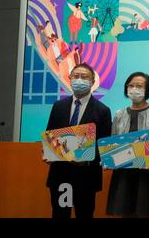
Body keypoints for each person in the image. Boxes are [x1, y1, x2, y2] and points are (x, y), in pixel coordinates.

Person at [45, 63, 112, 218]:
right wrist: (49, 150)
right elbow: (50, 135)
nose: (79, 80)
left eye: (84, 77)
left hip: (86, 176)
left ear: (92, 81)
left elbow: (104, 144)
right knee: (61, 213)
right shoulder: (58, 106)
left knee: (84, 214)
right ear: (69, 79)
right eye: (75, 76)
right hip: (61, 175)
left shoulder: (103, 110)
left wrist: (86, 157)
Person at [106, 72, 149, 217]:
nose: (134, 89)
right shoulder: (119, 114)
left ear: (148, 90)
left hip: (148, 174)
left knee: (145, 213)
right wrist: (107, 158)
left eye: (139, 86)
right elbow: (112, 144)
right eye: (131, 85)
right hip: (123, 175)